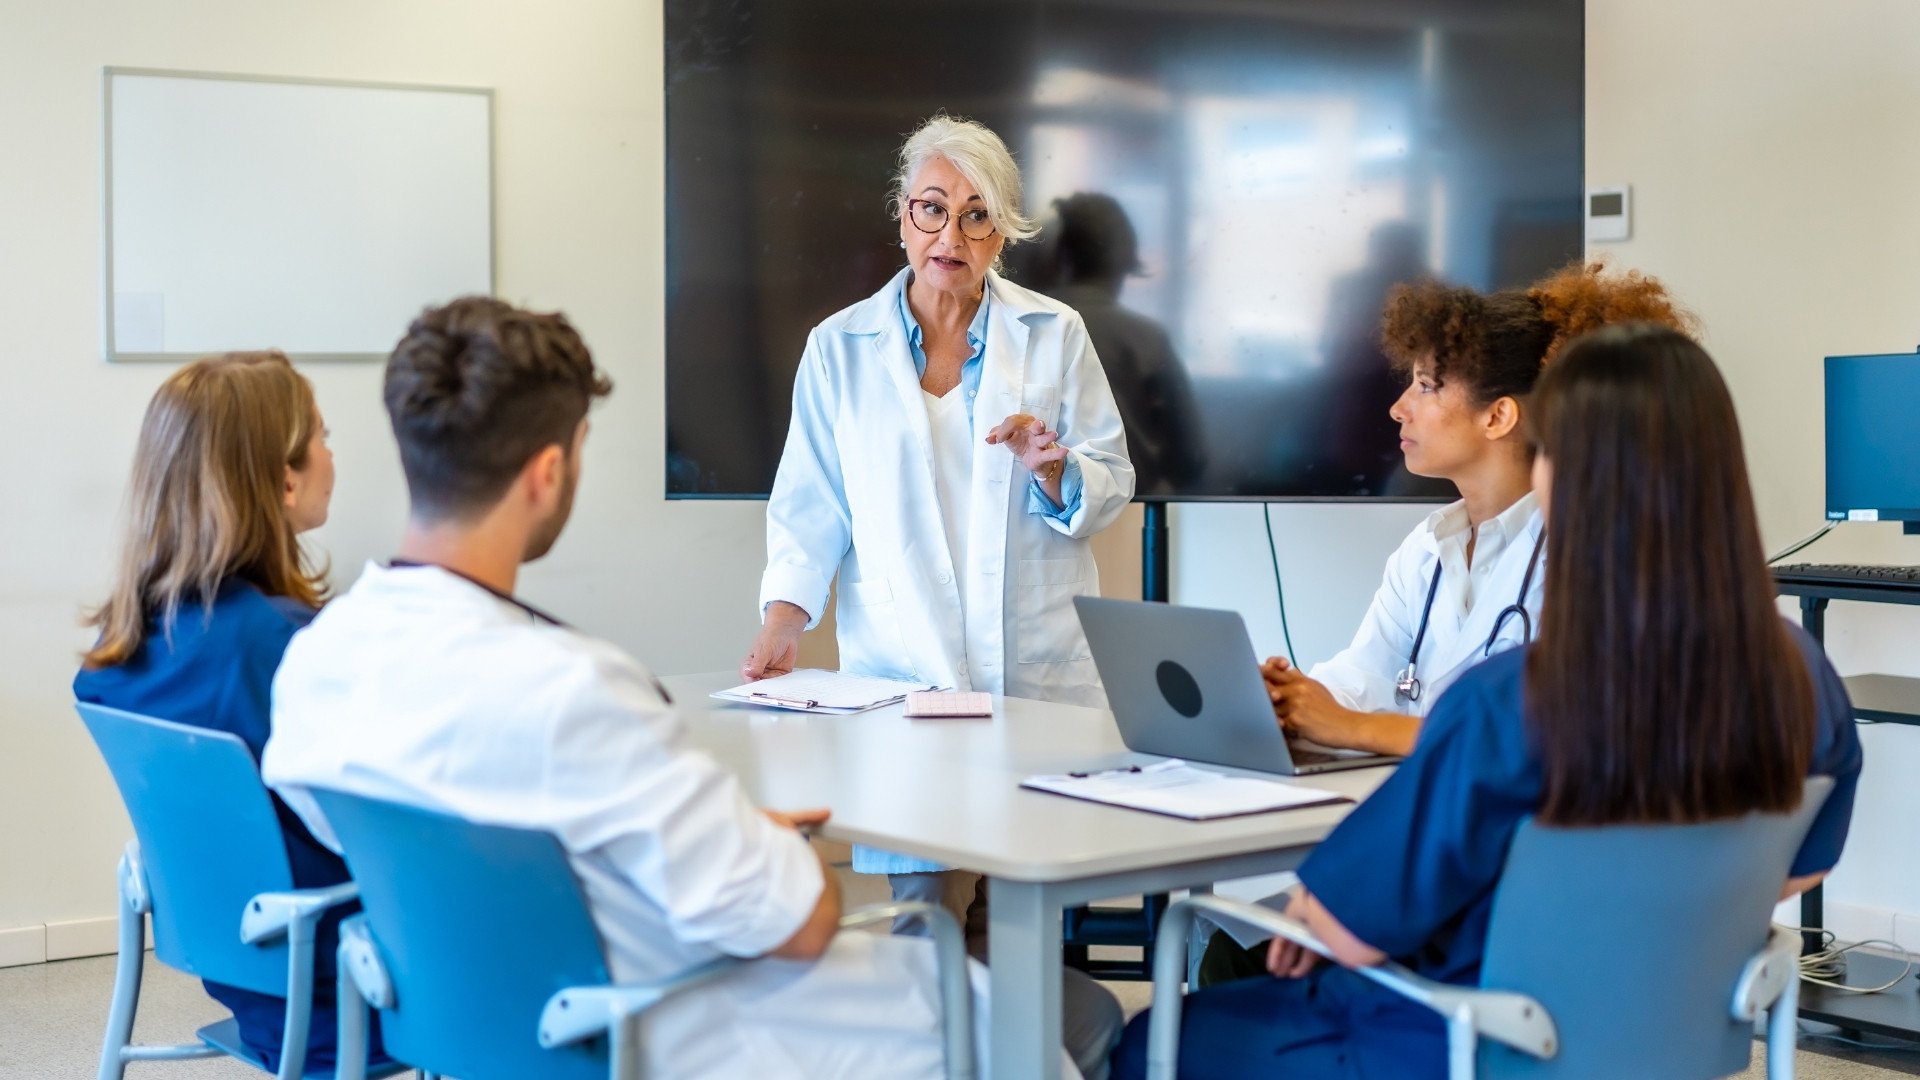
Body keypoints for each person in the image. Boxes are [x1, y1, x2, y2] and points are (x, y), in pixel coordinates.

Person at [261, 296, 1093, 1078]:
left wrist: (702, 828)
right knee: (1026, 1032)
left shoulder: (316, 668)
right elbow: (802, 925)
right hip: (676, 1032)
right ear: (549, 473)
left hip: (487, 1030)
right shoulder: (579, 690)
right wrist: (756, 842)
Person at [1113, 322, 1865, 1079]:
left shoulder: (1509, 701)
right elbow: (1794, 874)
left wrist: (1312, 910)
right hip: (1671, 1040)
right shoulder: (1803, 673)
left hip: (1468, 1039)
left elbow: (1347, 933)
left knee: (1155, 1037)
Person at [739, 114, 1130, 1074]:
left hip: (1032, 678)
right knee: (921, 928)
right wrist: (783, 622)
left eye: (976, 218)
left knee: (1023, 918)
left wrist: (1053, 469)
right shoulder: (840, 349)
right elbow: (809, 507)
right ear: (902, 219)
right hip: (902, 680)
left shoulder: (1056, 335)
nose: (950, 238)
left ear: (1003, 234)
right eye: (931, 211)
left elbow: (1110, 479)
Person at [73, 351, 383, 1073]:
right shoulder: (282, 646)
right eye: (323, 436)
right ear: (283, 477)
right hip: (345, 996)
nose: (333, 456)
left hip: (249, 976)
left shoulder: (123, 642)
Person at [1263, 261, 1696, 761]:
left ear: (1497, 416)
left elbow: (1552, 739)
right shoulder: (1426, 549)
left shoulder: (1593, 553)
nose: (1398, 407)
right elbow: (1366, 677)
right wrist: (1285, 701)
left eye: (1426, 386)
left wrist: (1354, 727)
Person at [1034, 192, 1205, 496]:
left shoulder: (1024, 329)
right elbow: (1191, 456)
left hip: (1041, 508)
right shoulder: (1147, 341)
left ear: (1059, 256)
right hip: (1135, 514)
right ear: (1126, 260)